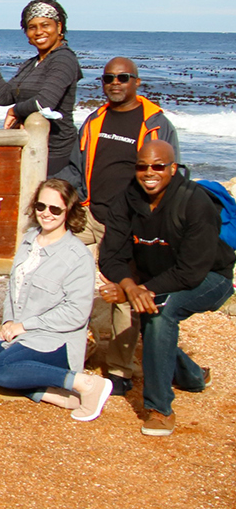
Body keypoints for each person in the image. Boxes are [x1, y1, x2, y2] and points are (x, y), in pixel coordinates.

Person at [53, 57, 180, 395]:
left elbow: (173, 173)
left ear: (136, 82)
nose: (115, 83)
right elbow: (76, 166)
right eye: (108, 78)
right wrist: (65, 196)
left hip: (128, 222)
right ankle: (60, 353)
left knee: (125, 294)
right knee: (57, 273)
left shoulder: (155, 123)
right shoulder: (96, 120)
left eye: (123, 77)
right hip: (89, 214)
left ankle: (122, 370)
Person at [97, 140, 234, 436]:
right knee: (152, 308)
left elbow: (191, 271)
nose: (149, 173)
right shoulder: (126, 199)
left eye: (158, 166)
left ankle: (159, 409)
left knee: (159, 312)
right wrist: (131, 287)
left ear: (173, 168)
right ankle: (193, 376)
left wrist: (136, 290)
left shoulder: (194, 202)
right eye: (142, 166)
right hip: (157, 280)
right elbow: (110, 255)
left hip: (211, 278)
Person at [0, 179, 112, 420]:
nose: (46, 214)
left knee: (0, 370)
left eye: (55, 209)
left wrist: (25, 325)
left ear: (69, 211)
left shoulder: (77, 256)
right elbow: (13, 288)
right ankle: (55, 395)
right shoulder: (29, 241)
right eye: (41, 206)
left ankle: (86, 384)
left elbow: (75, 312)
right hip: (22, 336)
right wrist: (9, 321)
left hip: (55, 341)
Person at [0, 0, 80, 175]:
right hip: (30, 148)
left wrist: (16, 111)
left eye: (45, 25)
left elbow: (44, 102)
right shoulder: (31, 65)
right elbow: (4, 96)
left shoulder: (64, 59)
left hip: (56, 155)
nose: (39, 32)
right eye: (32, 27)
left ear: (59, 27)